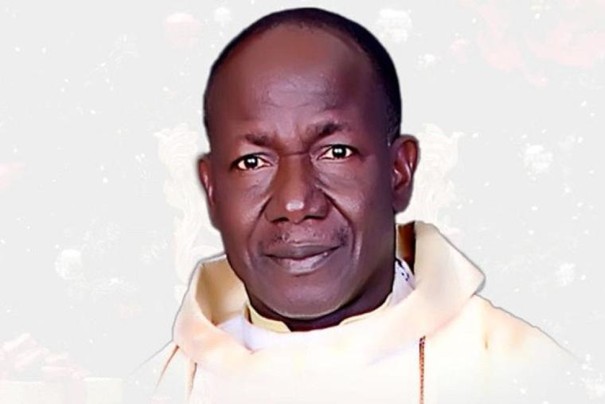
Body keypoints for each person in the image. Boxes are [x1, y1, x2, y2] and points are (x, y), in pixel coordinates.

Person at [130, 7, 582, 404]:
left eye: (336, 152)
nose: (295, 202)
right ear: (211, 191)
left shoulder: (531, 378)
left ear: (399, 172)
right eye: (252, 162)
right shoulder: (151, 389)